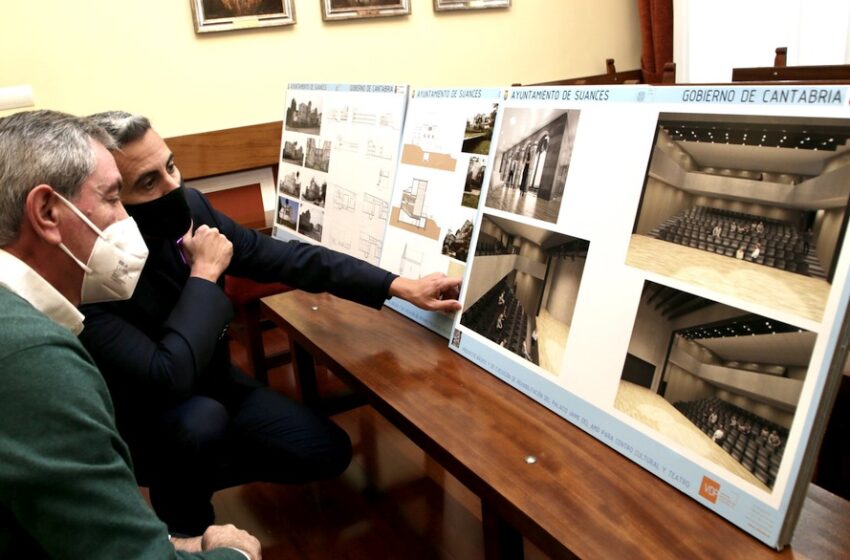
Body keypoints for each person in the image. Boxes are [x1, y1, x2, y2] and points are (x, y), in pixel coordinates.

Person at [79, 111, 463, 536]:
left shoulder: (189, 207)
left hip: (217, 384)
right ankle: (182, 521)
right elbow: (165, 375)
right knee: (200, 424)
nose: (174, 187)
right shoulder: (84, 275)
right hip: (151, 419)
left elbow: (287, 258)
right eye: (148, 183)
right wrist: (204, 275)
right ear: (111, 197)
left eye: (171, 166)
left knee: (326, 451)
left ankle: (198, 466)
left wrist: (396, 285)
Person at [0, 110, 261, 559]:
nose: (126, 218)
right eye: (113, 197)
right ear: (47, 212)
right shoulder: (33, 355)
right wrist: (231, 552)